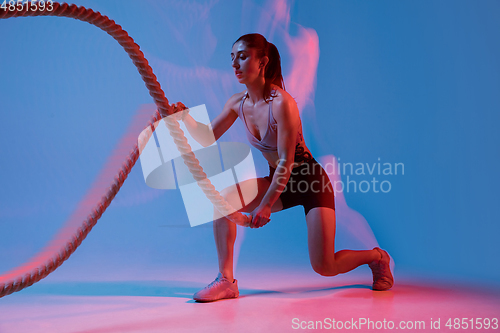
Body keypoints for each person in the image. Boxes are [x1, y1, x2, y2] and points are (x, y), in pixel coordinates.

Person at [174, 33, 393, 302]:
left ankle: (377, 257)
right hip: (279, 178)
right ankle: (226, 281)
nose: (235, 64)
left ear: (262, 62)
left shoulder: (283, 104)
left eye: (242, 57)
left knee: (324, 266)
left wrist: (266, 205)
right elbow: (207, 137)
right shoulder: (237, 103)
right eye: (232, 58)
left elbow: (287, 163)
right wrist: (183, 118)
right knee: (223, 202)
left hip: (310, 181)